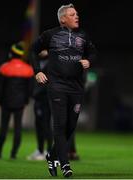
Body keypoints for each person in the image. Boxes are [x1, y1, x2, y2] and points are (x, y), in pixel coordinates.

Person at [31, 3, 96, 177]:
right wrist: (37, 71)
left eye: (77, 14)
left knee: (70, 127)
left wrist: (89, 61)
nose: (77, 16)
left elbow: (92, 52)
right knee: (60, 126)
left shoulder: (83, 35)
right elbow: (33, 50)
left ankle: (51, 155)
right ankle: (65, 165)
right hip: (57, 86)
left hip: (76, 87)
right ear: (63, 19)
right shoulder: (50, 35)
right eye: (73, 14)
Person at [0, 41, 34, 159]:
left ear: (11, 53)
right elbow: (30, 88)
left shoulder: (4, 67)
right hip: (20, 102)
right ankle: (13, 154)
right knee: (18, 129)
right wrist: (26, 100)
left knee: (4, 128)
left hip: (6, 102)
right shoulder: (28, 69)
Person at [27, 50, 53, 161]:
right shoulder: (37, 63)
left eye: (43, 49)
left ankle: (48, 151)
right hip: (38, 98)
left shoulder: (52, 63)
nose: (41, 51)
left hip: (46, 98)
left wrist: (36, 92)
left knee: (46, 125)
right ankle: (40, 150)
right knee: (39, 124)